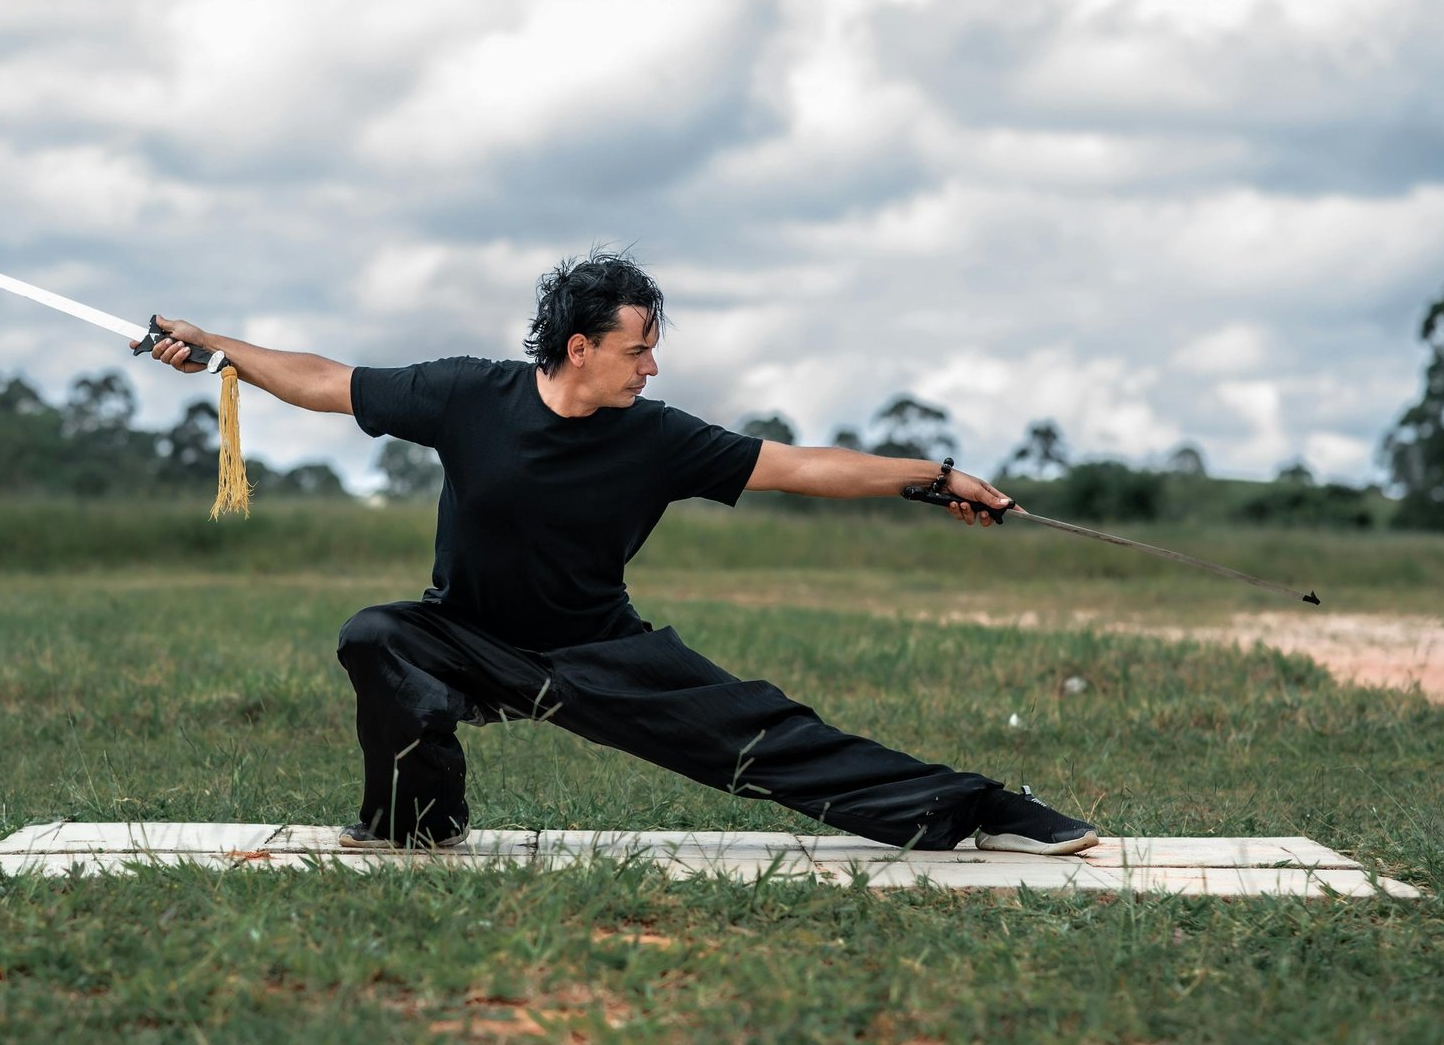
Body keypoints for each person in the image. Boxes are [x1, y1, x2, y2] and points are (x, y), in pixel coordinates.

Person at [139, 251, 1098, 856]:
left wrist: (934, 476)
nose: (653, 365)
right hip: (466, 638)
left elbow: (803, 466)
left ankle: (981, 809)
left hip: (599, 652)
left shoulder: (658, 436)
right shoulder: (469, 393)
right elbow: (322, 380)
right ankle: (417, 824)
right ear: (579, 346)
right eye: (639, 347)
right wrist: (215, 347)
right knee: (375, 636)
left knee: (769, 739)